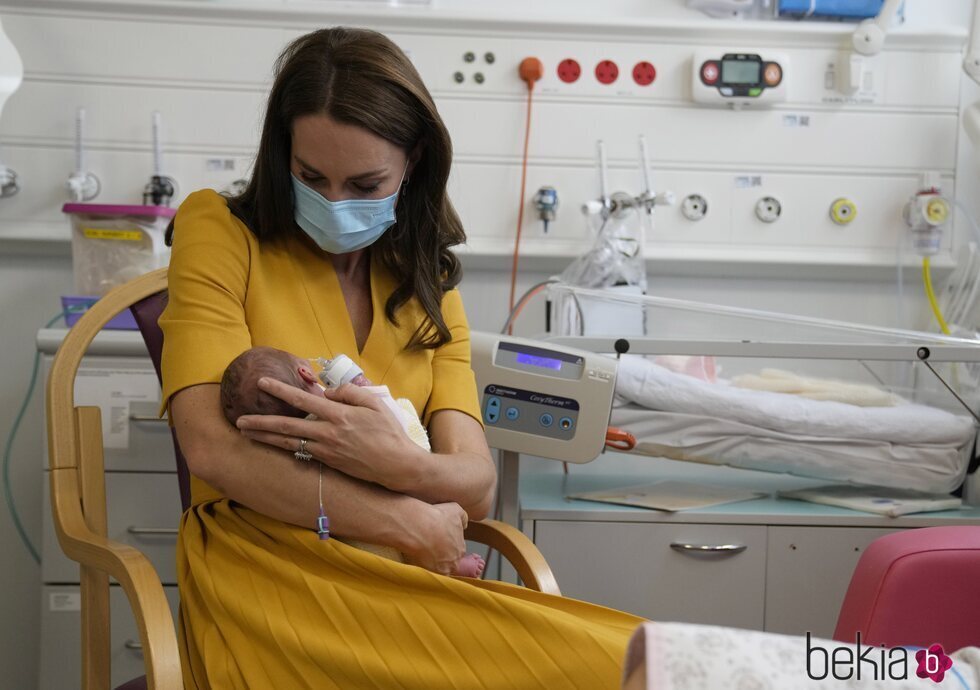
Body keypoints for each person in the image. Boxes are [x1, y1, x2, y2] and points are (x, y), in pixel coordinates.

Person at [160, 26, 644, 689]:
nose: (333, 204)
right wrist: (405, 517)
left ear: (413, 162)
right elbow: (213, 451)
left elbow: (477, 486)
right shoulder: (218, 230)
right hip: (266, 571)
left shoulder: (427, 284)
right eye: (310, 178)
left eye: (364, 183)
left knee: (635, 660)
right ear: (283, 158)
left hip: (407, 570)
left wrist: (397, 463)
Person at [219, 345, 485, 577]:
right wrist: (368, 389)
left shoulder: (280, 447)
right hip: (407, 511)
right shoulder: (344, 404)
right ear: (306, 373)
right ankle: (450, 565)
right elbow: (392, 420)